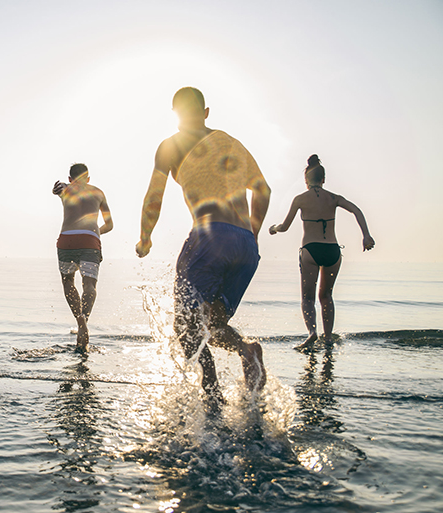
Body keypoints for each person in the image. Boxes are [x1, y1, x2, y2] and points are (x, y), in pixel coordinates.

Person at [136, 87, 271, 401]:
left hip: (209, 238)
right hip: (247, 248)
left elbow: (154, 197)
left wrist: (145, 237)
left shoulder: (170, 146)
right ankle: (247, 350)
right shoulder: (231, 142)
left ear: (176, 115)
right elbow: (263, 191)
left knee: (185, 327)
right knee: (212, 324)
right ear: (206, 112)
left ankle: (212, 398)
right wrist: (251, 236)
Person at [268, 154, 374, 350]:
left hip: (311, 250)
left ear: (306, 179)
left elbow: (285, 226)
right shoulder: (334, 198)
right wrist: (366, 236)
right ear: (323, 179)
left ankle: (312, 333)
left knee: (307, 298)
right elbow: (357, 210)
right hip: (332, 251)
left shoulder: (300, 199)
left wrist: (273, 228)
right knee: (326, 296)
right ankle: (327, 338)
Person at [53, 163, 113, 352]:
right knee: (89, 285)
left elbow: (59, 188)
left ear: (71, 179)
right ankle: (84, 321)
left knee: (68, 282)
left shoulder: (66, 189)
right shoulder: (99, 192)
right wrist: (94, 233)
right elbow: (109, 224)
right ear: (88, 178)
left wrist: (60, 188)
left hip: (66, 241)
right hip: (90, 241)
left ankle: (79, 320)